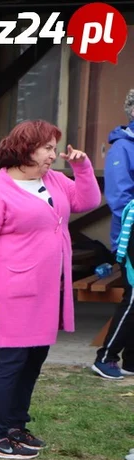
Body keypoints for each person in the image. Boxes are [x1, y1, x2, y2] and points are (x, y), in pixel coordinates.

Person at [0, 121, 99, 458]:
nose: (53, 155)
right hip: (12, 289)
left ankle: (16, 426)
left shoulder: (53, 179)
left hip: (47, 289)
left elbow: (88, 200)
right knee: (11, 361)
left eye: (54, 149)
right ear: (26, 149)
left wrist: (81, 167)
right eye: (48, 149)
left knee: (33, 360)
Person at [92, 89, 134, 379]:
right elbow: (120, 199)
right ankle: (105, 357)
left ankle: (131, 360)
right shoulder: (122, 147)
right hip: (132, 233)